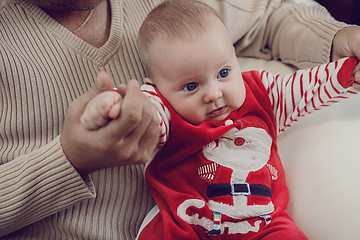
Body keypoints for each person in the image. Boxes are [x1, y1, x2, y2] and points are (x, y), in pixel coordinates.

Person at [1, 0, 360, 239]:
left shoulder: (257, 93)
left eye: (223, 74)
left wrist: (339, 47)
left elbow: (269, 14)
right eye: (190, 86)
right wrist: (70, 157)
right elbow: (152, 114)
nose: (214, 94)